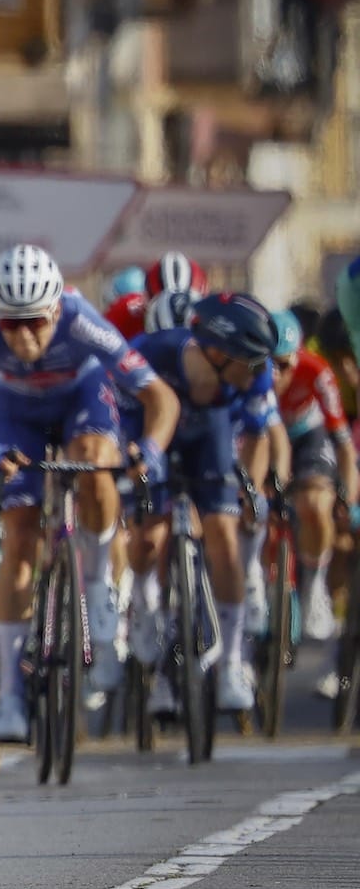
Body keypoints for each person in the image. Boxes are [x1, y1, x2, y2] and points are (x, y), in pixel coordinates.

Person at [0, 245, 179, 740]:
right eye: (11, 324)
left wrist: (151, 448)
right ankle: (11, 695)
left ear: (56, 309)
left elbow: (158, 396)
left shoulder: (81, 319)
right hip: (17, 413)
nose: (23, 335)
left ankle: (100, 589)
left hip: (82, 399)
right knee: (18, 538)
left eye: (34, 321)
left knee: (95, 460)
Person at [119, 292, 281, 715]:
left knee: (224, 538)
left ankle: (230, 662)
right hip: (152, 429)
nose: (262, 371)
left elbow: (259, 436)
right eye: (253, 361)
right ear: (218, 352)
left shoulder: (254, 380)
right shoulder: (149, 354)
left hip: (209, 436)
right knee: (147, 538)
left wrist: (250, 490)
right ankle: (145, 605)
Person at [269, 310, 354, 640]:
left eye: (285, 365)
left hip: (308, 434)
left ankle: (315, 587)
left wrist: (347, 495)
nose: (277, 375)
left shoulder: (317, 370)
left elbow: (343, 444)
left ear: (298, 356)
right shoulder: (248, 372)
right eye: (269, 365)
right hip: (264, 431)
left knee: (316, 504)